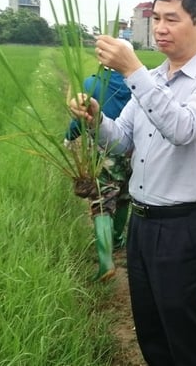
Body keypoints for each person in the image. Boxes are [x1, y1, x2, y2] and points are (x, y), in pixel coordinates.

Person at [68, 0, 196, 366]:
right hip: (142, 225)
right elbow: (122, 141)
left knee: (185, 333)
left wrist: (132, 68)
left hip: (183, 227)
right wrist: (96, 120)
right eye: (156, 18)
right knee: (150, 330)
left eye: (171, 19)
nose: (160, 27)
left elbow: (180, 129)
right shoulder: (151, 80)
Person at [64, 41, 134, 282]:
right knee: (124, 196)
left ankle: (105, 262)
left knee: (102, 203)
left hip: (104, 151)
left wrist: (69, 136)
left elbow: (83, 119)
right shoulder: (138, 85)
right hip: (133, 152)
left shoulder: (92, 84)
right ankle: (117, 239)